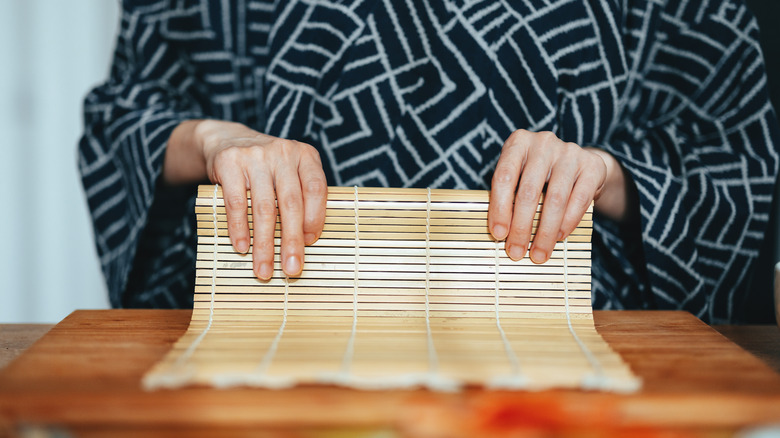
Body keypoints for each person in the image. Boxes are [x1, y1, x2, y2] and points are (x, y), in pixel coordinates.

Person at [80, 0, 779, 324]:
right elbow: (124, 114)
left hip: (568, 357)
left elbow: (728, 158)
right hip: (279, 334)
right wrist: (213, 141)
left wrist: (605, 173)